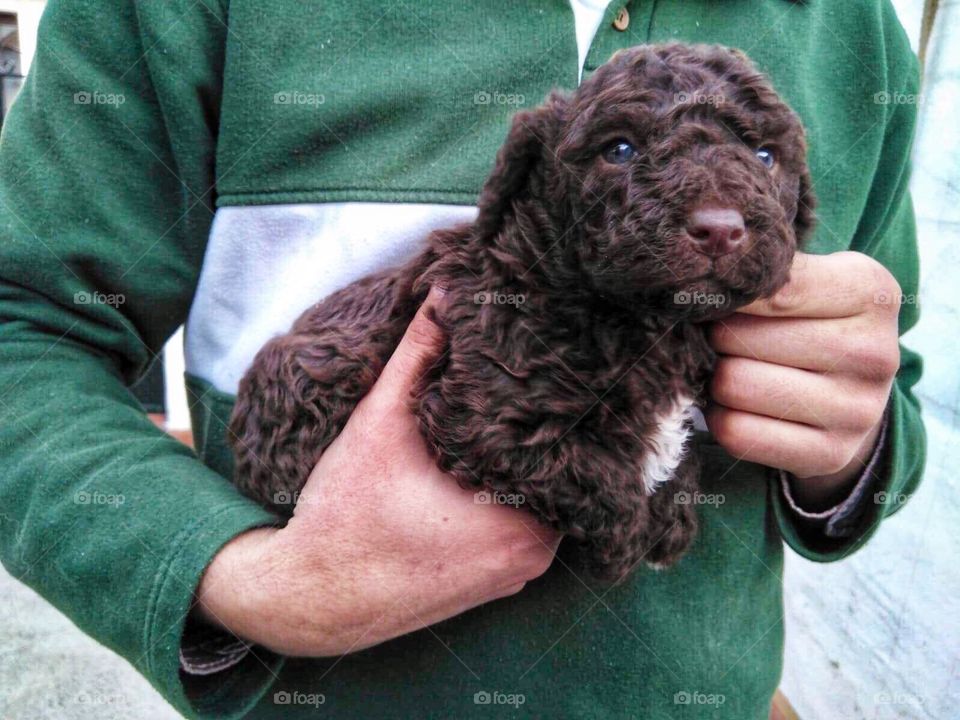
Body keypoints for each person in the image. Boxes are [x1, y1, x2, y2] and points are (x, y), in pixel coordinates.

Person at [0, 1, 924, 719]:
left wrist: (852, 448)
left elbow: (893, 388)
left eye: (762, 160)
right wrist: (235, 574)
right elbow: (23, 330)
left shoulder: (854, 29)